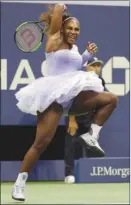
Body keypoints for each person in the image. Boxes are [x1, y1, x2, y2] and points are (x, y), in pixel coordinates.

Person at [12, 3, 118, 201]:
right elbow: (59, 14)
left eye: (77, 29)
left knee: (110, 99)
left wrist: (86, 54)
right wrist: (60, 6)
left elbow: (76, 66)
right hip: (53, 97)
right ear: (60, 28)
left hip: (72, 97)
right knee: (40, 143)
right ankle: (19, 183)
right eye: (69, 27)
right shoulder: (54, 39)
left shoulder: (75, 49)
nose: (73, 31)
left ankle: (91, 136)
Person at [64, 57, 106, 184]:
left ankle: (90, 171)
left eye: (98, 66)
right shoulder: (79, 80)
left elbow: (103, 100)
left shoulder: (100, 81)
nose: (96, 68)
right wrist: (71, 120)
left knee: (91, 145)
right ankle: (69, 174)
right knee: (70, 145)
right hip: (75, 117)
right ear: (86, 67)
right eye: (93, 65)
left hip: (89, 119)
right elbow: (69, 99)